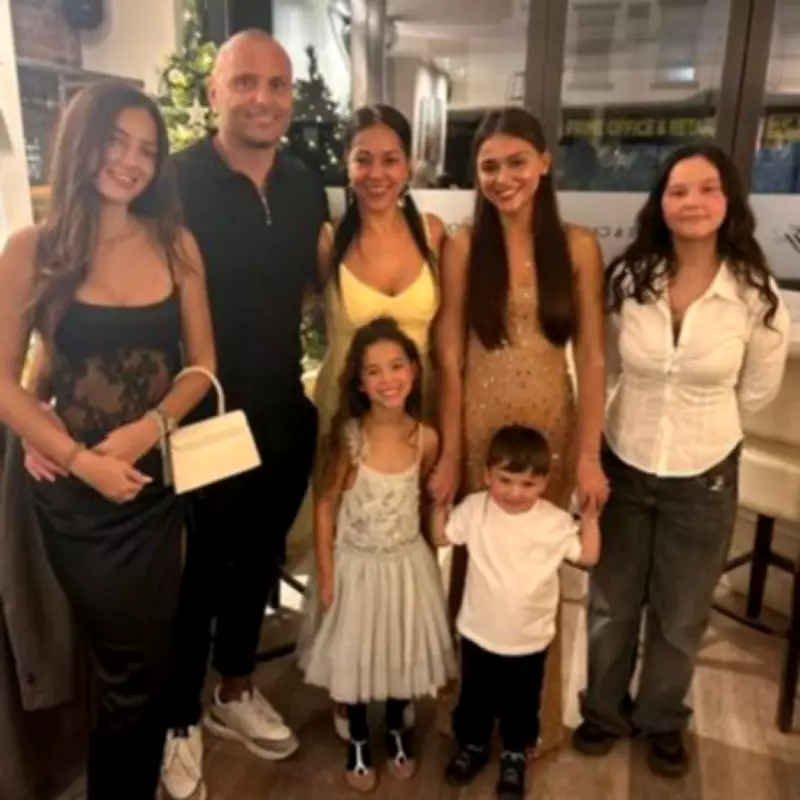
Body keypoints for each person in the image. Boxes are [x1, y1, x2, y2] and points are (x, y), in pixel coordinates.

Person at [0, 81, 215, 800]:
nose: (131, 161)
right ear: (81, 143)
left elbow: (202, 366)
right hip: (72, 496)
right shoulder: (31, 250)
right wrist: (76, 458)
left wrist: (152, 426)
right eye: (116, 141)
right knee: (124, 668)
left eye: (147, 150)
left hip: (153, 488)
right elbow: (2, 380)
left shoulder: (176, 245)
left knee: (142, 666)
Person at [572, 143, 791, 777]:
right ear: (660, 203)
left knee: (681, 611)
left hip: (705, 470)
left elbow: (757, 390)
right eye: (678, 190)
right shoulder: (629, 280)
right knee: (612, 602)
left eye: (707, 189)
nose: (692, 202)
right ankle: (603, 711)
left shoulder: (755, 295)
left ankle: (661, 719)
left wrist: (700, 416)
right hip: (625, 458)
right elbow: (603, 364)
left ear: (729, 201)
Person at [158, 29, 329, 799]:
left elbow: (310, 291)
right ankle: (177, 720)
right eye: (246, 83)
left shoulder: (304, 185)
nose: (264, 98)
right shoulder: (173, 181)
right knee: (197, 571)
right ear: (214, 93)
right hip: (202, 413)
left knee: (258, 557)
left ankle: (233, 688)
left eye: (277, 85)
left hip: (283, 405)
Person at [430, 107, 608, 755]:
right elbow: (449, 353)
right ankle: (468, 713)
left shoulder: (578, 246)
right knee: (476, 561)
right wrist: (450, 450)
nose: (502, 178)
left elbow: (593, 357)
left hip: (552, 427)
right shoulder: (463, 245)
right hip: (480, 425)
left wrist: (588, 454)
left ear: (544, 163)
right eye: (488, 167)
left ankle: (529, 721)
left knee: (536, 568)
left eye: (516, 162)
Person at [312, 103, 445, 739]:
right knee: (347, 544)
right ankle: (347, 679)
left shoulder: (435, 234)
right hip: (345, 415)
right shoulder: (328, 239)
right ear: (347, 164)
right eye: (363, 158)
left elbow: (447, 342)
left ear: (409, 164)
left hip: (415, 415)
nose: (377, 172)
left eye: (390, 158)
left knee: (406, 548)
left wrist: (448, 436)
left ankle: (397, 666)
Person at [300, 316, 456, 793]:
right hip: (356, 567)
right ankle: (358, 739)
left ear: (414, 370)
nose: (388, 379)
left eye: (396, 365)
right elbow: (326, 506)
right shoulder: (351, 438)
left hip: (405, 565)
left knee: (399, 647)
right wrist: (327, 575)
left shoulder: (426, 439)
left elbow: (421, 501)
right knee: (357, 651)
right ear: (360, 383)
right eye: (373, 371)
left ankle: (396, 727)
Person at [431, 425, 600, 799]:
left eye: (528, 484)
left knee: (521, 705)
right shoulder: (475, 509)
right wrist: (440, 507)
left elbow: (587, 556)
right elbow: (443, 537)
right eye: (505, 480)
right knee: (474, 698)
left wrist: (589, 520)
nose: (514, 492)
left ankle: (514, 754)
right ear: (487, 474)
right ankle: (472, 746)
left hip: (529, 640)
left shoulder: (554, 522)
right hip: (478, 632)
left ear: (544, 483)